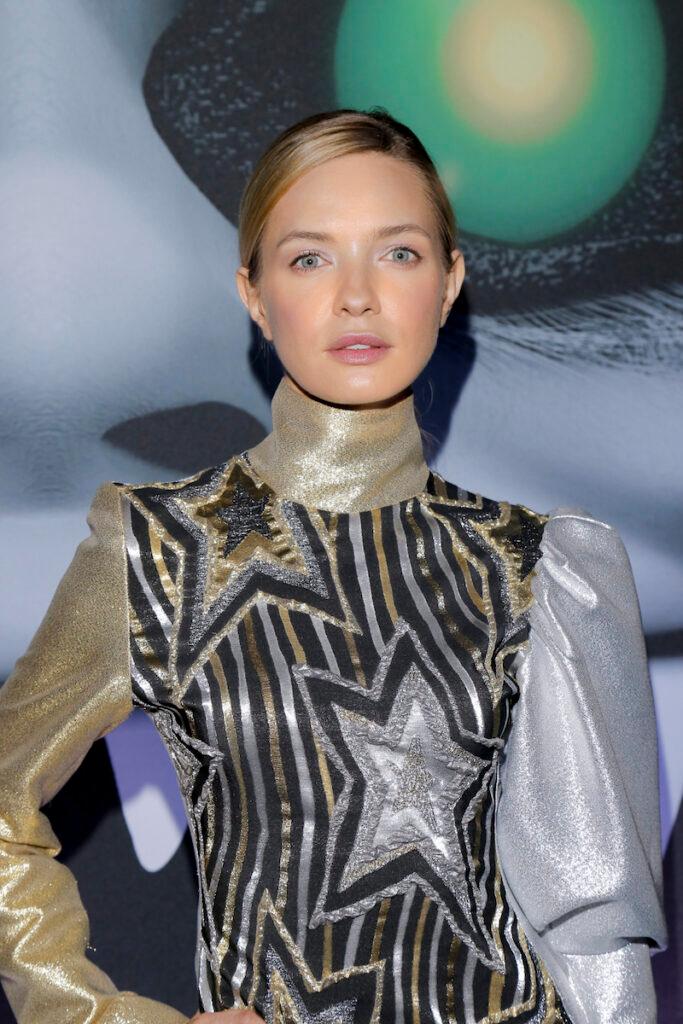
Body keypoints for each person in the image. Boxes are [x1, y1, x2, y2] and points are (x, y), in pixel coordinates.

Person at [0, 108, 667, 1024]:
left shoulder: (536, 566)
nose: (357, 295)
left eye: (398, 253)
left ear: (448, 283)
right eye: (310, 257)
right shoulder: (162, 548)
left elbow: (596, 925)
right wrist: (95, 1014)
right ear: (253, 293)